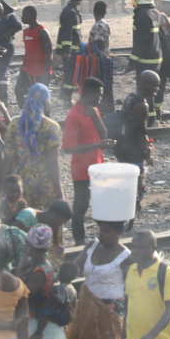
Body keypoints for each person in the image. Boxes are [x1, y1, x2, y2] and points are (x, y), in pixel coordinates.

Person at [67, 220, 132, 339]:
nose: (100, 234)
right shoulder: (92, 245)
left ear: (118, 234)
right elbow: (76, 267)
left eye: (106, 232)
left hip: (109, 311)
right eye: (100, 230)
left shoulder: (126, 256)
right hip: (86, 306)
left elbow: (132, 287)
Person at [19, 226, 74, 339]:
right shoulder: (43, 265)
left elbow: (23, 293)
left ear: (30, 244)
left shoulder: (40, 271)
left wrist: (19, 270)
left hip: (42, 330)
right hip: (43, 327)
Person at [65, 77, 115, 245]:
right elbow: (68, 148)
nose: (101, 98)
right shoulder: (73, 116)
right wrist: (98, 145)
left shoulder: (94, 111)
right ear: (90, 93)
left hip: (97, 166)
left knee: (102, 203)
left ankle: (106, 237)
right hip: (81, 170)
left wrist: (96, 118)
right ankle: (79, 240)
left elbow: (104, 135)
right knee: (81, 205)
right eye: (99, 95)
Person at [4, 84, 63, 208]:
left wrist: (2, 189)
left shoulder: (14, 124)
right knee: (46, 225)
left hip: (19, 189)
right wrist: (60, 193)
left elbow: (8, 160)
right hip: (45, 188)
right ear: (47, 102)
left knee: (22, 223)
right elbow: (52, 163)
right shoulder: (51, 127)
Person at [15, 5, 52, 106]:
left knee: (41, 99)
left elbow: (49, 54)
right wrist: (22, 67)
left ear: (31, 16)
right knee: (18, 91)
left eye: (24, 15)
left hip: (40, 71)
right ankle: (26, 114)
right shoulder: (25, 31)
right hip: (27, 69)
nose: (22, 18)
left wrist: (46, 73)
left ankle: (43, 118)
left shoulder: (42, 32)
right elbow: (27, 52)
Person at [57, 0, 86, 101]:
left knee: (71, 73)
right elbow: (67, 33)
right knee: (70, 74)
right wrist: (67, 51)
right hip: (71, 50)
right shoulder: (69, 12)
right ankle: (66, 98)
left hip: (73, 48)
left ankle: (64, 96)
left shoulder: (71, 11)